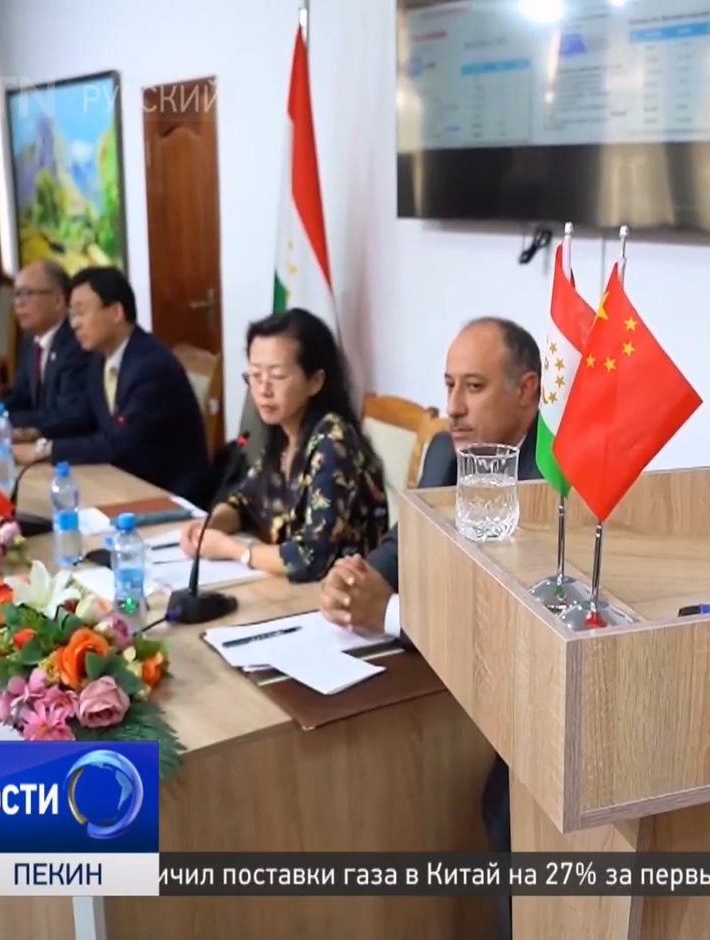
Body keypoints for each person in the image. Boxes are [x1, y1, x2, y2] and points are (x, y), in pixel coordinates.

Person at [319, 315, 541, 940]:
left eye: (474, 386)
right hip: (440, 688)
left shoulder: (555, 476)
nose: (453, 407)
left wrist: (392, 614)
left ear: (526, 391)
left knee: (505, 813)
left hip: (519, 707)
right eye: (449, 385)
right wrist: (357, 579)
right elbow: (404, 542)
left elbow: (512, 620)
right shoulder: (447, 451)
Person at [175, 309, 389, 583]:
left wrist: (233, 550)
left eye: (276, 376)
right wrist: (209, 527)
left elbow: (311, 558)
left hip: (342, 597)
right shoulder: (284, 435)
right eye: (255, 375)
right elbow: (244, 503)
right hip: (292, 592)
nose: (263, 390)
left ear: (315, 381)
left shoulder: (334, 442)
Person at [13, 266, 210, 503]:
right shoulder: (100, 360)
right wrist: (31, 433)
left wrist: (44, 450)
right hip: (125, 482)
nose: (74, 324)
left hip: (170, 497)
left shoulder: (151, 367)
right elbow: (83, 418)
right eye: (71, 315)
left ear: (116, 312)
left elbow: (122, 443)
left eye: (81, 312)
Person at [0, 259, 91, 441]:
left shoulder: (76, 343)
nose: (18, 304)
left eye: (27, 293)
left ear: (58, 300)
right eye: (16, 295)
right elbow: (21, 395)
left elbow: (68, 414)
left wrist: (3, 419)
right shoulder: (31, 340)